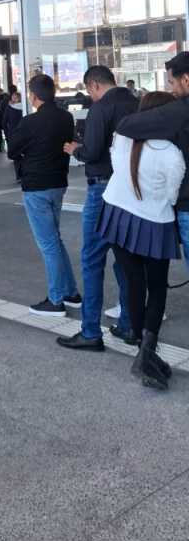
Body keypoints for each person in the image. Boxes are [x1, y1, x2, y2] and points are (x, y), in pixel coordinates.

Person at [98, 92, 185, 389]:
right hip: (154, 222)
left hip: (117, 215)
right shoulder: (172, 153)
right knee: (156, 287)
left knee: (133, 283)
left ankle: (141, 349)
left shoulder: (122, 138)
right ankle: (147, 351)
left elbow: (114, 166)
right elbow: (172, 196)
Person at [57, 66, 137, 351]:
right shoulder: (137, 103)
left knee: (92, 258)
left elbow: (91, 151)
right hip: (132, 188)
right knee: (127, 258)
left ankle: (91, 331)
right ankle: (129, 324)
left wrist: (73, 150)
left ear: (93, 85)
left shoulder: (101, 109)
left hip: (103, 187)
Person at [7, 74, 79, 316]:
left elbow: (12, 151)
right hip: (59, 183)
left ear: (34, 96)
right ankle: (70, 292)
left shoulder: (29, 122)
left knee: (48, 243)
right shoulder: (66, 117)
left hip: (36, 186)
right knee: (55, 240)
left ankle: (55, 299)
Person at [117, 51, 189, 266]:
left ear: (186, 79)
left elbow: (126, 126)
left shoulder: (180, 111)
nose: (171, 89)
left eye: (172, 82)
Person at [2, 90, 23, 180]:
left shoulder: (9, 108)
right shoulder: (25, 107)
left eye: (15, 97)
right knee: (23, 154)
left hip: (13, 134)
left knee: (17, 155)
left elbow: (4, 122)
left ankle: (19, 175)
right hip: (22, 133)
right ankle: (23, 174)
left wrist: (7, 133)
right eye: (13, 96)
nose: (13, 98)